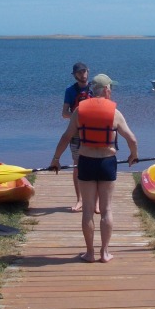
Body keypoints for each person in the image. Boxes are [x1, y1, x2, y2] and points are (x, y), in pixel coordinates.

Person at [50, 74, 138, 263]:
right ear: (106, 90)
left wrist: (56, 159)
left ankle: (90, 253)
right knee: (106, 210)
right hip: (107, 163)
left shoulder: (79, 111)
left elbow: (66, 138)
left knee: (88, 210)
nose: (111, 91)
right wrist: (133, 155)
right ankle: (104, 253)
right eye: (111, 88)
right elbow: (132, 139)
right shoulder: (115, 113)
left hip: (86, 162)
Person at [62, 62, 93, 212]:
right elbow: (64, 114)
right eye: (79, 73)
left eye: (84, 71)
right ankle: (80, 200)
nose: (82, 75)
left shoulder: (95, 89)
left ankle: (96, 202)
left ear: (88, 71)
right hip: (76, 133)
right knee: (77, 165)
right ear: (74, 75)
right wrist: (77, 117)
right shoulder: (70, 90)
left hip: (93, 132)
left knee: (95, 164)